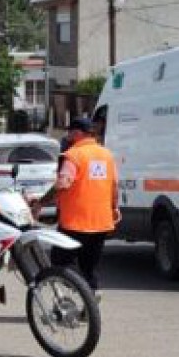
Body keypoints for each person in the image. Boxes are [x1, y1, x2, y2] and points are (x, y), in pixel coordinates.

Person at [49, 116, 119, 288]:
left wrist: (41, 202)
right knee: (88, 267)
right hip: (101, 223)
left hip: (75, 223)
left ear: (78, 133)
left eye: (70, 132)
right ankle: (92, 295)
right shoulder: (107, 155)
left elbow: (63, 184)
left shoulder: (74, 155)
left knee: (60, 262)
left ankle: (74, 295)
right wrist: (114, 208)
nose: (67, 136)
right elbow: (114, 186)